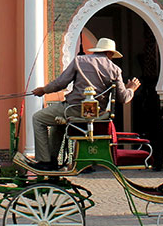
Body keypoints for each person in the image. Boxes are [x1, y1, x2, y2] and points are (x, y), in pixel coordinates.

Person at [30, 38, 141, 171]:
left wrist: (44, 90)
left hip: (74, 109)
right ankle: (53, 160)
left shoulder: (80, 60)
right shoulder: (115, 70)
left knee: (38, 118)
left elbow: (61, 83)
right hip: (96, 115)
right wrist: (131, 89)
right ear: (110, 53)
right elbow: (124, 98)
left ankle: (44, 160)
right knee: (56, 124)